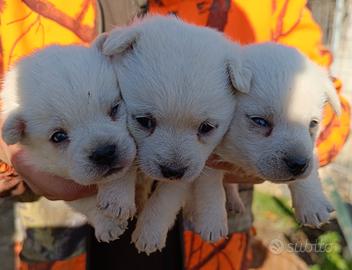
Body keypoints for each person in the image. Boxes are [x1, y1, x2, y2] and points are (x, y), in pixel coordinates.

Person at [0, 0, 350, 269]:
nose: (173, 160)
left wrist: (283, 156)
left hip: (212, 248)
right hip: (62, 241)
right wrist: (15, 159)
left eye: (205, 128)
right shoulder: (19, 10)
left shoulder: (268, 10)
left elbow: (328, 104)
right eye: (145, 121)